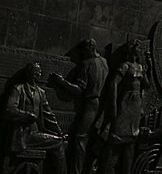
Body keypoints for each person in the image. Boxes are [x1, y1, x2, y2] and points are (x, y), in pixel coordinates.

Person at [51, 37, 108, 174]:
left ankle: (76, 171)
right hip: (99, 103)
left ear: (89, 48)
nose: (81, 53)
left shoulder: (87, 63)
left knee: (79, 137)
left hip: (89, 104)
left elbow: (78, 89)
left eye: (83, 50)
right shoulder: (104, 62)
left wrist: (61, 82)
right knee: (89, 137)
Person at [97, 39, 150, 174]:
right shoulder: (125, 66)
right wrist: (114, 104)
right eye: (138, 48)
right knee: (116, 138)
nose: (140, 51)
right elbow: (113, 84)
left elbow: (147, 84)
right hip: (125, 103)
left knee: (131, 140)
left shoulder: (140, 67)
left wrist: (149, 66)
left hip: (136, 106)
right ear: (132, 50)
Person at [3, 62, 66, 174]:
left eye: (39, 72)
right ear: (29, 73)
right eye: (35, 71)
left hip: (35, 133)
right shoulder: (18, 89)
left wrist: (59, 132)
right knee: (58, 143)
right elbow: (9, 110)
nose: (38, 74)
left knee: (59, 140)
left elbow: (49, 115)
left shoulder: (41, 93)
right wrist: (27, 115)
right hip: (22, 134)